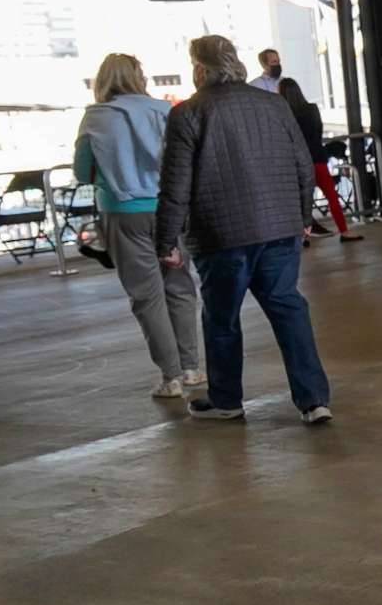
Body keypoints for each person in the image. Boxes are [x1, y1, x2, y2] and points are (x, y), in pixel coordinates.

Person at [153, 34, 333, 425]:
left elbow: (175, 185)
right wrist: (302, 215)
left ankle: (226, 400)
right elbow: (303, 164)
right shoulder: (274, 104)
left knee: (222, 318)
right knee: (289, 309)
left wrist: (165, 241)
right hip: (280, 229)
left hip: (221, 235)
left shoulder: (188, 114)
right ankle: (314, 400)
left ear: (200, 69)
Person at [75, 52, 203, 398]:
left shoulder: (95, 119)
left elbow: (81, 171)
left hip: (124, 212)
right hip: (171, 208)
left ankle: (171, 376)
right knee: (179, 285)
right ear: (140, 77)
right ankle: (192, 368)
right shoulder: (165, 112)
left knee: (147, 296)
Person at [277, 76, 361, 243]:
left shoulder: (284, 113)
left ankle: (303, 236)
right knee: (331, 196)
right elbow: (318, 131)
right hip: (318, 157)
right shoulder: (312, 109)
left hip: (297, 163)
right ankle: (344, 231)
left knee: (300, 201)